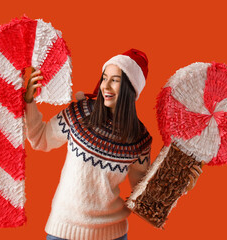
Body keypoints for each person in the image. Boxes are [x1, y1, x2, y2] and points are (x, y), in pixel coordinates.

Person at [24, 49, 201, 240]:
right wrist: (29, 101)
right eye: (104, 78)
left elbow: (141, 193)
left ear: (130, 87)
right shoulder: (79, 113)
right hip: (63, 231)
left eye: (115, 80)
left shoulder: (139, 138)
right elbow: (40, 139)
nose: (105, 86)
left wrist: (178, 183)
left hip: (112, 234)